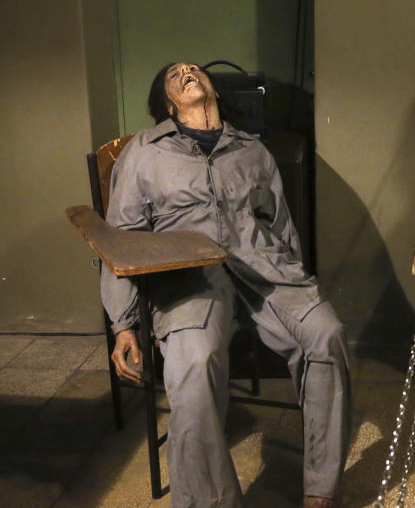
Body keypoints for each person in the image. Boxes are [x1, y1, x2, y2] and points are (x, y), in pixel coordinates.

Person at [102, 62, 350, 508]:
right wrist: (122, 323)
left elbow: (280, 225)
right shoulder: (145, 150)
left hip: (262, 268)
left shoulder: (251, 149)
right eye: (175, 73)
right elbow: (121, 240)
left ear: (213, 88)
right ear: (167, 102)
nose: (187, 71)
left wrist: (297, 286)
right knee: (194, 364)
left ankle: (321, 491)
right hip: (187, 276)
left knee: (326, 334)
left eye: (194, 67)